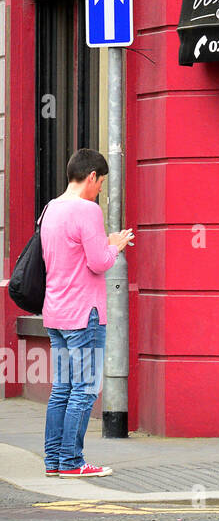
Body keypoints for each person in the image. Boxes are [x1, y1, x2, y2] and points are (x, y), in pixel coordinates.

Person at [42, 148, 134, 478]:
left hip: (55, 312)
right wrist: (115, 245)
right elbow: (99, 262)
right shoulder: (87, 210)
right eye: (102, 182)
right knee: (84, 389)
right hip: (85, 314)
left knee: (62, 387)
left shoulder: (50, 208)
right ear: (91, 176)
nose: (101, 189)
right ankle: (72, 461)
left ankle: (54, 460)